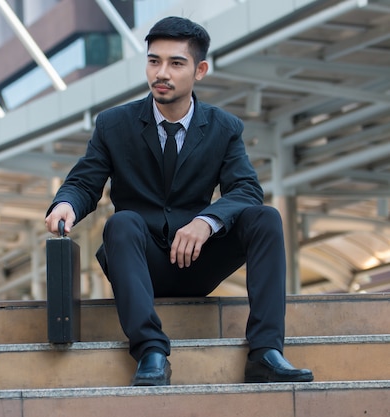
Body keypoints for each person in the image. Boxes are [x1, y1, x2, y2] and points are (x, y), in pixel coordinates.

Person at [44, 16, 314, 386]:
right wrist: (67, 204)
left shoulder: (224, 128)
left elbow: (246, 189)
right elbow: (85, 181)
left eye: (176, 63)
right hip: (141, 263)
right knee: (120, 222)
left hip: (199, 260)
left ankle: (266, 353)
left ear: (199, 70)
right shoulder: (114, 124)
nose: (161, 73)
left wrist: (206, 221)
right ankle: (151, 352)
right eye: (154, 61)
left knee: (264, 217)